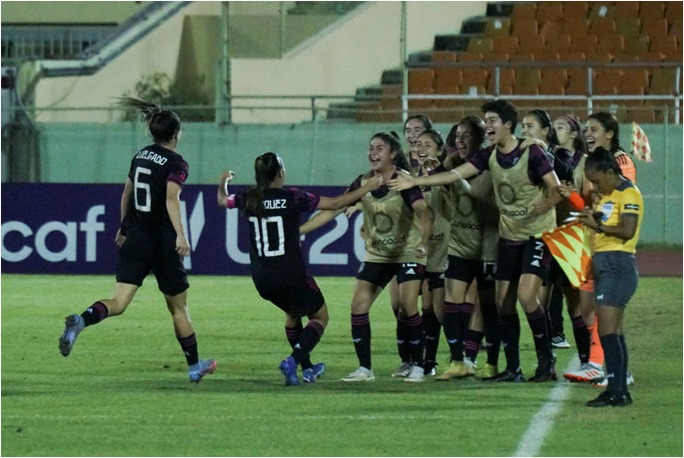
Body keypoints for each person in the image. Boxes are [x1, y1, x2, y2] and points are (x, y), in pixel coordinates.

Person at [389, 99, 563, 383]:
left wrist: (549, 201)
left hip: (537, 235)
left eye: (493, 120)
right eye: (486, 120)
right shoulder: (491, 155)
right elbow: (456, 174)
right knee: (503, 304)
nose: (488, 125)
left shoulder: (532, 153)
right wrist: (416, 182)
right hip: (509, 238)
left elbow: (556, 188)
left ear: (508, 124)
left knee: (526, 297)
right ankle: (513, 368)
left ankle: (547, 361)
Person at [58, 97, 216, 383]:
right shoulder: (177, 163)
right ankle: (195, 367)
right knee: (178, 308)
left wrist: (124, 226)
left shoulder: (141, 155)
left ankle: (82, 320)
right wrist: (181, 234)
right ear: (176, 134)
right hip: (163, 242)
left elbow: (126, 193)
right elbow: (171, 198)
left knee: (118, 302)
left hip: (136, 238)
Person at [217, 152, 382, 386]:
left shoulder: (248, 197)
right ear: (281, 173)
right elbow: (335, 203)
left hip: (262, 278)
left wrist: (223, 181)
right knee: (320, 317)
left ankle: (307, 368)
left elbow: (223, 200)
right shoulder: (293, 197)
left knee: (293, 313)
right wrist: (368, 187)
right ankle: (293, 361)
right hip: (291, 274)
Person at [305, 132, 431, 382]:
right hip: (378, 255)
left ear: (393, 153)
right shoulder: (364, 182)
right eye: (371, 148)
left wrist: (424, 242)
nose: (373, 153)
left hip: (407, 252)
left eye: (380, 148)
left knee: (408, 308)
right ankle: (365, 369)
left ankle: (418, 366)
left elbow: (423, 210)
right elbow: (334, 208)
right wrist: (300, 230)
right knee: (358, 306)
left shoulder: (402, 181)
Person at [563, 112, 637, 386]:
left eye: (594, 129)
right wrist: (570, 195)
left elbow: (612, 204)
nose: (588, 134)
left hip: (613, 248)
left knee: (606, 311)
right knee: (588, 308)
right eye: (586, 129)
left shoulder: (620, 164)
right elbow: (590, 205)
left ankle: (598, 365)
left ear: (610, 133)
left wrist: (595, 218)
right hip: (592, 244)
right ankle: (612, 368)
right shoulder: (590, 163)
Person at [435, 116, 501, 381]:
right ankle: (458, 359)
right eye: (457, 136)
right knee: (451, 302)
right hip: (460, 247)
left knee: (487, 307)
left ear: (480, 138)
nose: (460, 141)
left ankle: (488, 361)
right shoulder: (452, 166)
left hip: (488, 249)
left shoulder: (492, 167)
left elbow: (491, 202)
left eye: (467, 136)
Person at [577, 147, 642, 407]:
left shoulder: (629, 193)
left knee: (606, 329)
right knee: (614, 331)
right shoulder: (609, 195)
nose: (594, 185)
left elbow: (627, 230)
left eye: (596, 180)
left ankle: (615, 389)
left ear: (610, 171)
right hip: (606, 263)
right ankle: (619, 390)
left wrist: (598, 225)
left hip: (618, 264)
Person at [390, 113, 434, 377]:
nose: (412, 134)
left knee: (428, 308)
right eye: (408, 130)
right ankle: (407, 359)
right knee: (399, 305)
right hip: (406, 245)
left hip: (434, 245)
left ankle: (426, 361)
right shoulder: (401, 168)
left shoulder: (439, 165)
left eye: (418, 130)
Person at [413, 128, 451, 376]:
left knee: (438, 309)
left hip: (442, 248)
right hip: (418, 250)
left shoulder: (445, 177)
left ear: (439, 149)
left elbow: (454, 204)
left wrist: (438, 175)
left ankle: (464, 350)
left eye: (427, 144)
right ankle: (427, 361)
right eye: (418, 144)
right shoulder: (409, 177)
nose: (421, 148)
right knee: (422, 307)